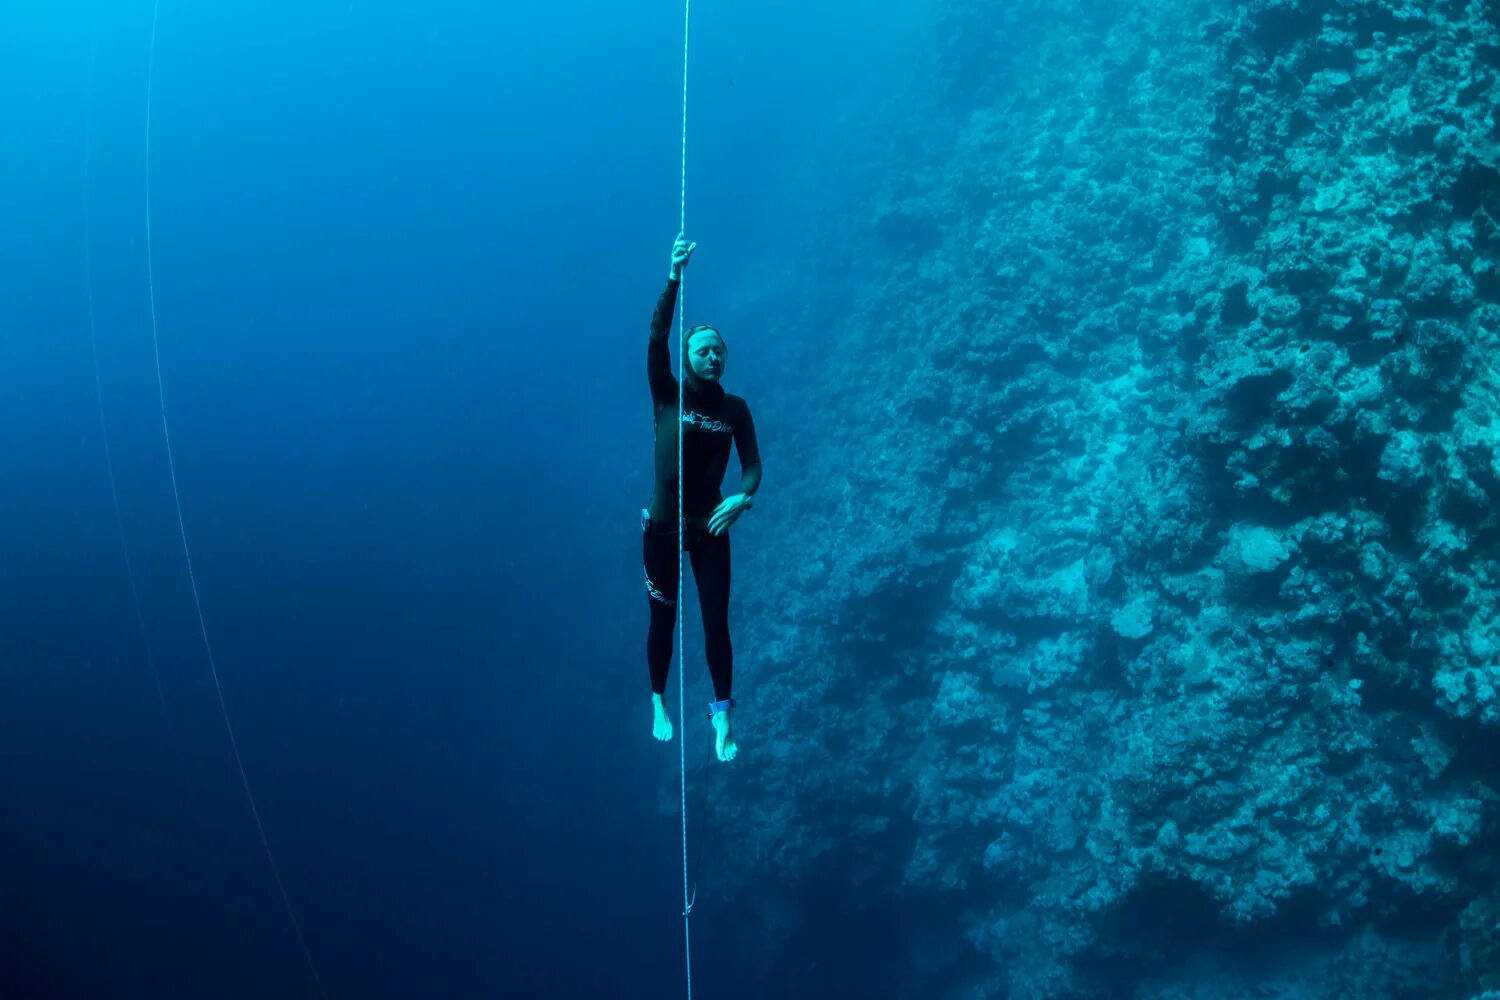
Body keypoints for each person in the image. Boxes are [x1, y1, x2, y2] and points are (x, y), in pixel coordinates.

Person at [642, 232, 761, 763]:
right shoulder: (668, 393)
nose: (711, 356)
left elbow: (753, 467)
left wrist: (743, 498)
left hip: (710, 524)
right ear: (688, 358)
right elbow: (654, 339)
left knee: (717, 620)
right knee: (662, 619)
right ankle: (658, 701)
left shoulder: (735, 408)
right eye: (702, 350)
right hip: (662, 528)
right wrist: (673, 278)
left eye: (718, 350)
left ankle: (722, 717)